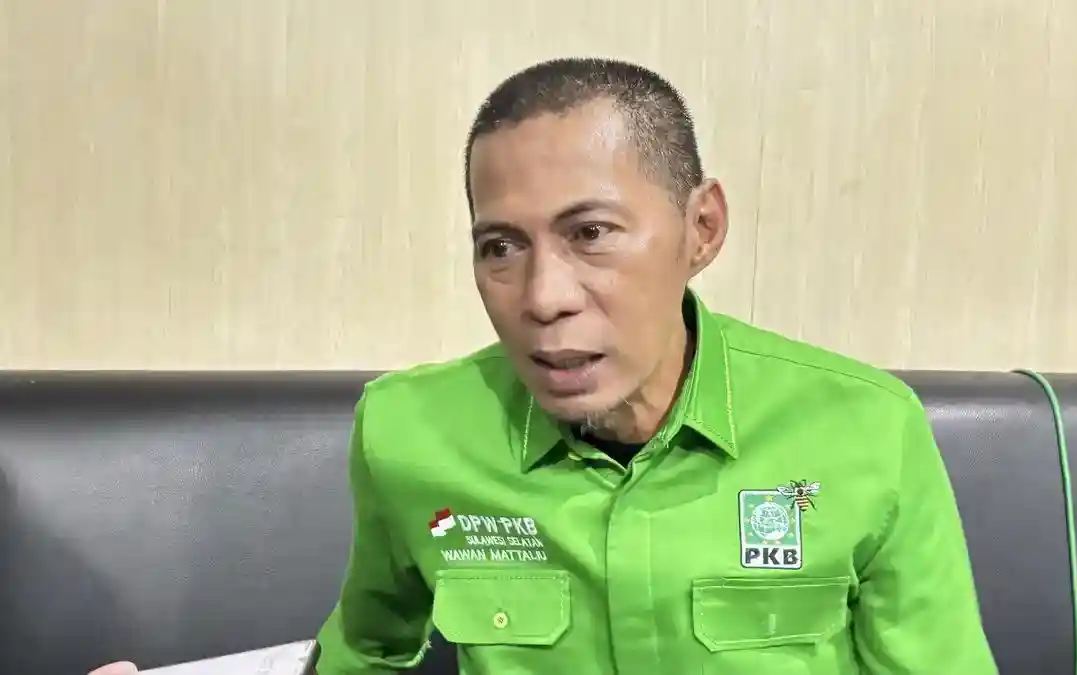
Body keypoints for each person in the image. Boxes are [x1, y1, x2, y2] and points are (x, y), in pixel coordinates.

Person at [91, 57, 997, 675]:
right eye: (500, 246)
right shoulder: (409, 432)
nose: (543, 296)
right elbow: (365, 658)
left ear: (702, 228)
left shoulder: (864, 429)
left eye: (590, 233)